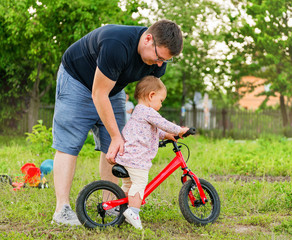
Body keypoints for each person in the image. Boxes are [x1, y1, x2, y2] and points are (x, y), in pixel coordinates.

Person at [51, 20, 183, 225]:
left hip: (111, 88)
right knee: (69, 144)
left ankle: (110, 205)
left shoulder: (158, 63)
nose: (159, 64)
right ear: (148, 39)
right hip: (77, 81)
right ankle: (62, 210)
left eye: (165, 60)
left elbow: (145, 101)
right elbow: (98, 93)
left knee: (116, 148)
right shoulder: (117, 44)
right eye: (158, 57)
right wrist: (115, 135)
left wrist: (160, 129)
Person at [113, 76, 189, 229]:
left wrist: (167, 135)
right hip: (136, 159)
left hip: (127, 157)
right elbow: (163, 123)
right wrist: (179, 130)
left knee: (128, 184)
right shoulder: (147, 111)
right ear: (151, 95)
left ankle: (117, 209)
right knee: (140, 182)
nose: (161, 104)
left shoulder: (139, 112)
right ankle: (133, 212)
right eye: (161, 100)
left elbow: (154, 129)